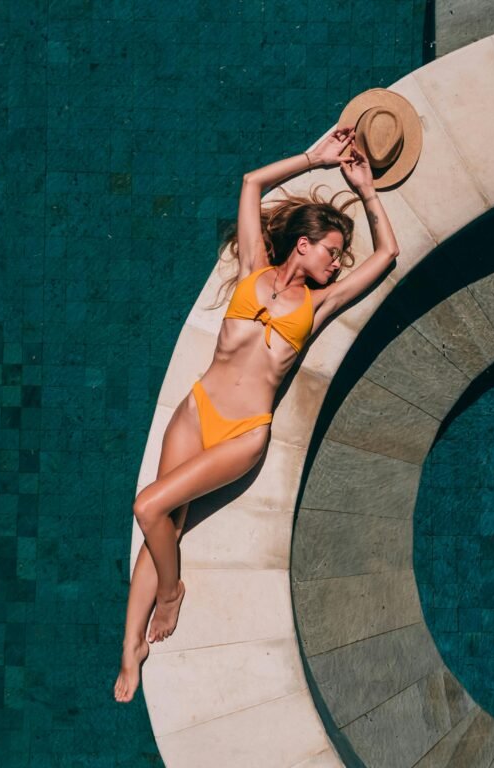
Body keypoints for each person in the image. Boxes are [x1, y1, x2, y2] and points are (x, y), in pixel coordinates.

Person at [114, 124, 402, 703]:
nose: (339, 262)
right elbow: (251, 183)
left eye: (341, 255)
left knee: (149, 505)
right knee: (162, 520)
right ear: (303, 243)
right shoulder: (253, 269)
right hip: (197, 410)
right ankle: (129, 650)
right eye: (332, 250)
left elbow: (388, 255)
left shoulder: (320, 304)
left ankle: (171, 594)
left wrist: (367, 194)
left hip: (242, 433)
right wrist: (313, 159)